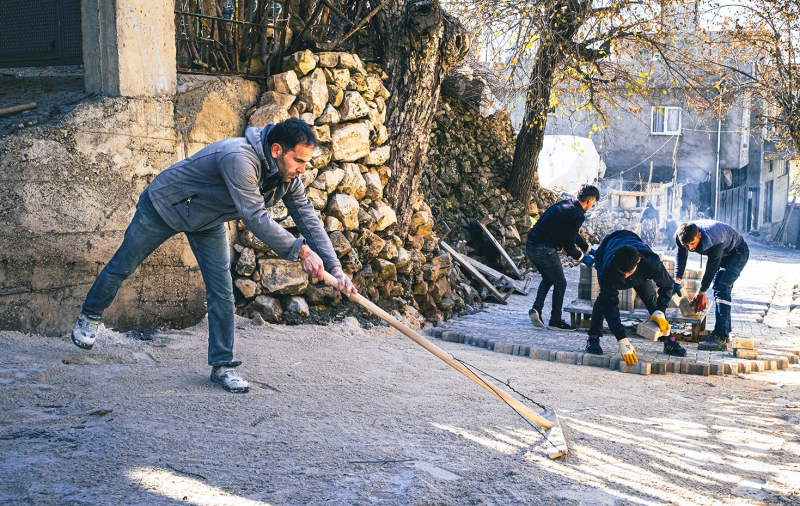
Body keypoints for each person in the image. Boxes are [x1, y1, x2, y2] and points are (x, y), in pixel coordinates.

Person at [70, 119, 356, 393]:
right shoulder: (239, 157)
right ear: (276, 150)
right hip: (164, 206)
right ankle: (90, 315)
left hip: (207, 221)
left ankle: (222, 365)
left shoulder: (287, 177)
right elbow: (255, 217)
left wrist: (335, 267)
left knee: (221, 291)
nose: (303, 170)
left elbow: (308, 219)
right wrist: (301, 251)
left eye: (307, 162)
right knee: (123, 265)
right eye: (299, 161)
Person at [584, 230, 686, 362]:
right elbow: (610, 305)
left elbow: (667, 285)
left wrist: (660, 310)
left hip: (638, 263)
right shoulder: (608, 270)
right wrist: (622, 339)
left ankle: (669, 340)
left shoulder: (652, 262)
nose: (625, 277)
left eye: (629, 273)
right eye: (622, 273)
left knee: (651, 301)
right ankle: (593, 337)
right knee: (603, 299)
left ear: (638, 261)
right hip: (606, 249)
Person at [526, 184, 599, 331]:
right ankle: (555, 321)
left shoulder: (567, 204)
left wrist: (589, 249)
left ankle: (537, 309)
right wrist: (584, 258)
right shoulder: (577, 214)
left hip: (530, 246)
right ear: (589, 200)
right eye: (594, 202)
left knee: (548, 278)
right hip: (544, 249)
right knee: (561, 283)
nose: (592, 205)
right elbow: (569, 247)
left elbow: (572, 233)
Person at [674, 220, 749, 351]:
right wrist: (677, 281)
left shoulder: (714, 239)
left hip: (738, 253)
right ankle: (724, 332)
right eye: (686, 245)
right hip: (725, 252)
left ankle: (720, 337)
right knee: (720, 288)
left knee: (721, 287)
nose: (690, 248)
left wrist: (701, 293)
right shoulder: (680, 235)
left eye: (692, 244)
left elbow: (711, 269)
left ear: (700, 236)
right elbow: (681, 256)